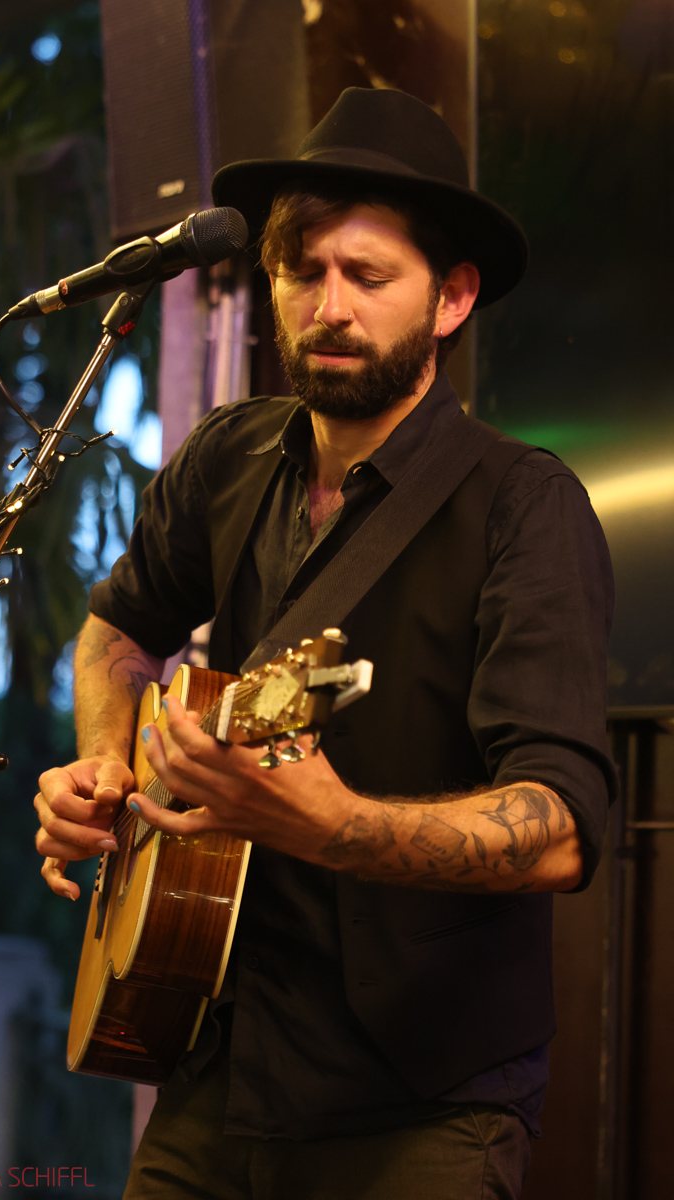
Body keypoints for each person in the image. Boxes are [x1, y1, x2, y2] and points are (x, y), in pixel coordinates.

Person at [33, 88, 615, 1198]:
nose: (327, 307)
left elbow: (559, 833)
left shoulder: (522, 507)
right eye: (302, 272)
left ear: (450, 298)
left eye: (367, 276)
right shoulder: (227, 456)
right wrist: (107, 767)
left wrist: (334, 826)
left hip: (422, 1101)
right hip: (215, 1060)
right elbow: (116, 627)